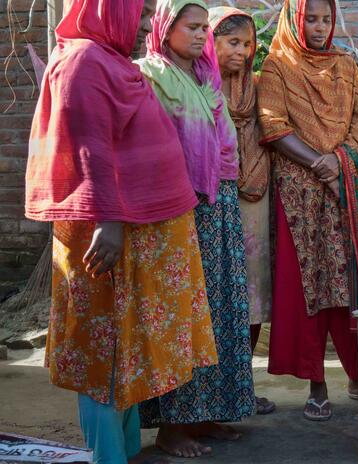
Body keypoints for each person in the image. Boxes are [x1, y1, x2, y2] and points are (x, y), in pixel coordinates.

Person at [25, 0, 218, 462]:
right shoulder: (83, 62)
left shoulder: (109, 61)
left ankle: (125, 450)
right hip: (109, 236)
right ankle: (107, 455)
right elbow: (87, 144)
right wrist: (108, 223)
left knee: (123, 349)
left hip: (138, 232)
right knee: (102, 353)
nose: (150, 23)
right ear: (112, 10)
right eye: (143, 11)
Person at [257, 0, 358, 422]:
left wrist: (339, 165)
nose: (318, 27)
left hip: (342, 192)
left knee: (350, 283)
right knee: (308, 287)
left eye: (325, 19)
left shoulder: (346, 66)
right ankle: (317, 382)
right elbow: (273, 126)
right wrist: (321, 166)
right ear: (295, 19)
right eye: (310, 18)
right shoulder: (277, 66)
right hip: (299, 196)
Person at [136, 0, 255, 457]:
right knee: (184, 316)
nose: (199, 34)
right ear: (166, 28)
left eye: (204, 27)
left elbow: (223, 139)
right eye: (191, 26)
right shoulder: (148, 73)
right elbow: (151, 142)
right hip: (178, 207)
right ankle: (174, 425)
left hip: (219, 202)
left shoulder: (207, 77)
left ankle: (207, 416)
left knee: (221, 311)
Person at [208, 5, 277, 417]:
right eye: (233, 42)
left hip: (256, 196)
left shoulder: (259, 85)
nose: (243, 51)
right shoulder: (201, 85)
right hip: (215, 195)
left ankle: (242, 386)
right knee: (219, 291)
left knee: (253, 291)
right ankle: (213, 389)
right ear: (211, 42)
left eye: (248, 44)